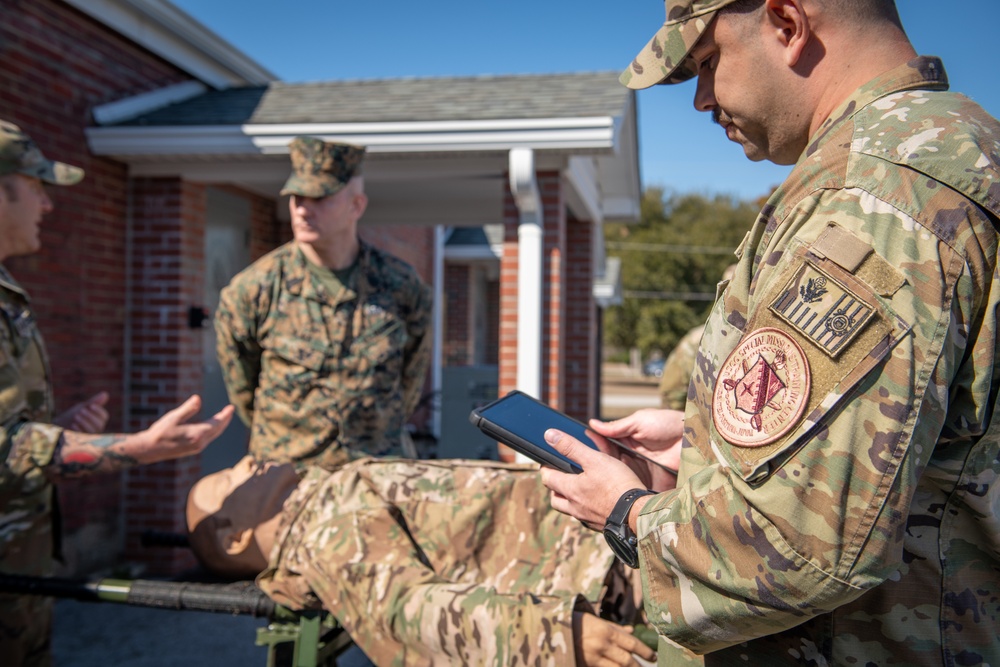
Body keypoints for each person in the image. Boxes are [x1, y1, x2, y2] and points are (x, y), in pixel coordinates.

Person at [540, 1, 1000, 665]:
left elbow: (796, 546)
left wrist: (628, 512)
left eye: (707, 63)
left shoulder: (881, 195)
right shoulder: (944, 153)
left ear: (787, 23)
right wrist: (704, 440)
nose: (701, 98)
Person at [0, 119, 236, 665]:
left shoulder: (10, 293)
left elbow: (17, 436)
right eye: (37, 186)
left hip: (21, 572)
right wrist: (138, 448)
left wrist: (59, 429)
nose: (47, 205)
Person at [186, 455, 658, 666]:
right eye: (229, 479)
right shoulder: (324, 537)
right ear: (235, 539)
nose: (246, 461)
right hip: (614, 572)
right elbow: (408, 611)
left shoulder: (319, 500)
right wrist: (556, 636)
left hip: (617, 538)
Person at [214, 136, 433, 471]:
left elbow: (410, 381)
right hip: (286, 478)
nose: (303, 208)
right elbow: (244, 392)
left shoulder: (401, 286)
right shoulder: (254, 289)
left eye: (319, 197)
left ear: (356, 206)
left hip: (372, 475)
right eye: (297, 197)